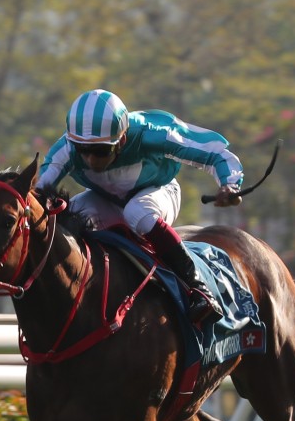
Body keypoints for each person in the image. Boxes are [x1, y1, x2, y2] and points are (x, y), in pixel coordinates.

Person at [34, 89, 244, 323]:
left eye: (101, 151)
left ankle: (197, 288)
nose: (91, 160)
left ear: (122, 139)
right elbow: (36, 192)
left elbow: (215, 152)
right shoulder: (67, 147)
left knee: (137, 211)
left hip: (159, 192)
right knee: (69, 214)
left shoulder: (151, 133)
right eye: (84, 151)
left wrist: (230, 184)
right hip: (107, 200)